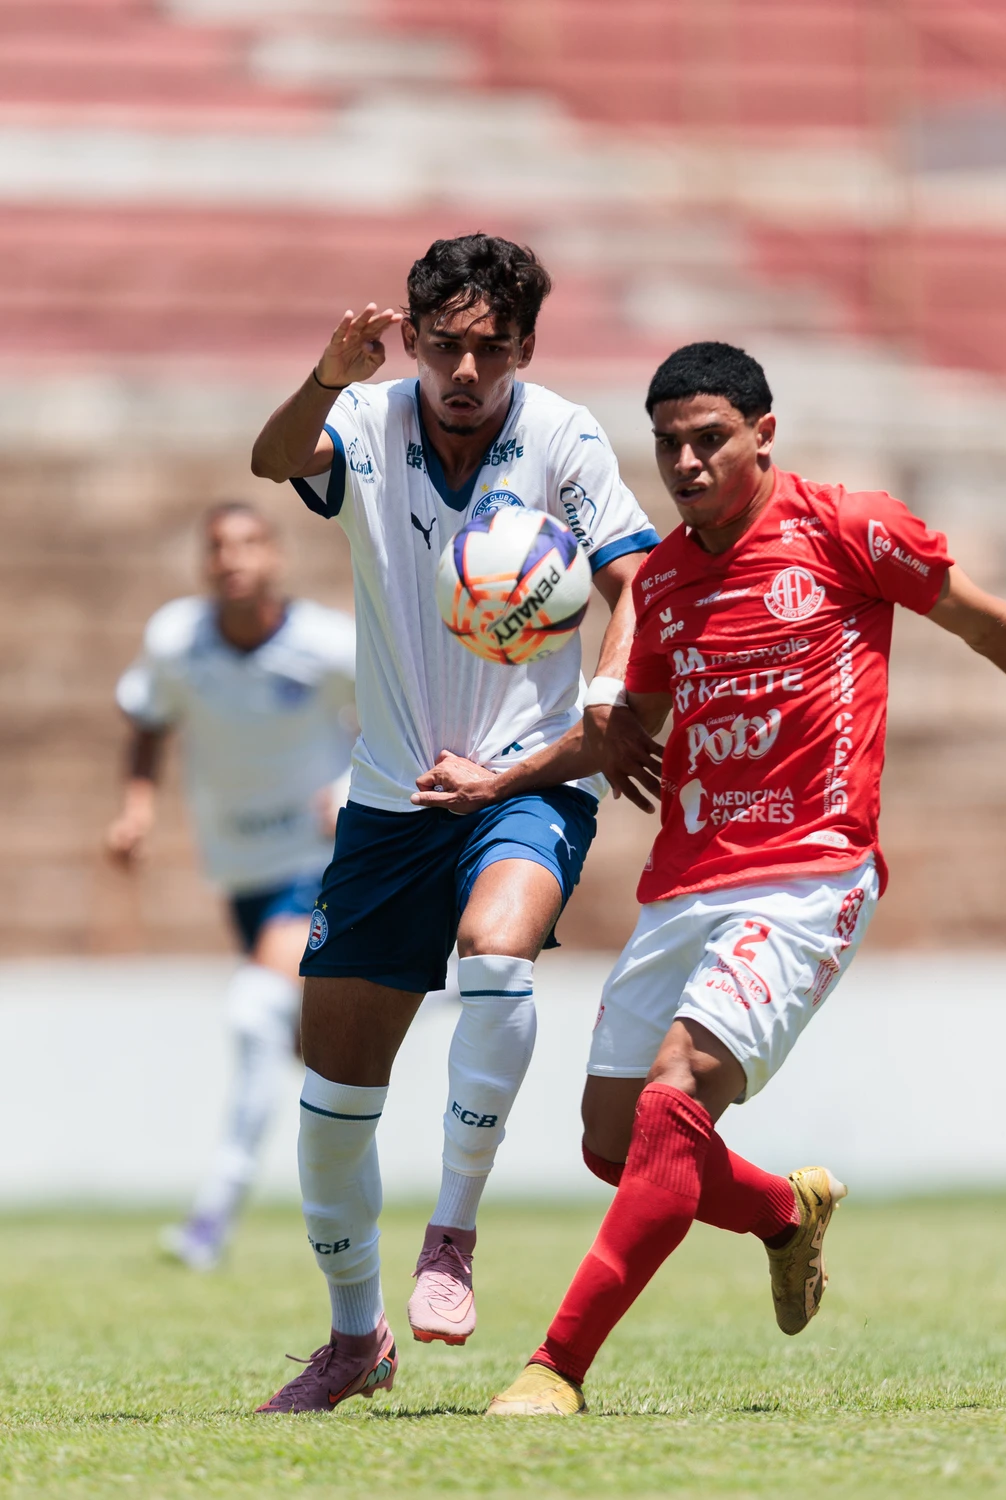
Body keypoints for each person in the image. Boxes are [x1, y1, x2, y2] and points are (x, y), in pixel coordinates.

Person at [487, 340, 1006, 1415]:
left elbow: (973, 617)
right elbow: (627, 730)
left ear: (762, 435)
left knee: (675, 1094)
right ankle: (786, 1213)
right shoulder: (668, 585)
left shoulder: (846, 527)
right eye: (668, 446)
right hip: (686, 878)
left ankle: (557, 1366)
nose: (685, 464)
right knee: (615, 1144)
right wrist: (494, 775)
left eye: (708, 441)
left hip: (808, 875)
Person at [248, 234, 661, 1412]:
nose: (466, 368)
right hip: (389, 797)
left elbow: (634, 580)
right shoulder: (369, 422)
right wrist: (328, 375)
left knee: (496, 953)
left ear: (524, 348)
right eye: (446, 345)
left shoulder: (565, 439)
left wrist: (599, 704)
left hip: (527, 780)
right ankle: (352, 1338)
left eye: (492, 347)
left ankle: (453, 1235)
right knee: (333, 1104)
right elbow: (275, 457)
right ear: (415, 339)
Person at [107, 501, 357, 1270]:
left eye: (249, 543)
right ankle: (408, 987)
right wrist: (136, 808)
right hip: (240, 871)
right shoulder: (175, 641)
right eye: (218, 546)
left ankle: (214, 1213)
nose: (233, 558)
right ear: (203, 563)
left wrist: (351, 782)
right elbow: (148, 718)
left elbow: (400, 714)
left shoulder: (326, 645)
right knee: (301, 1040)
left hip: (317, 862)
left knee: (254, 1012)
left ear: (275, 557)